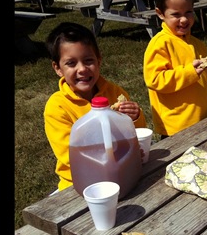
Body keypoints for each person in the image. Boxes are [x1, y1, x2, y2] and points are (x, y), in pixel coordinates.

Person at [44, 22, 147, 192]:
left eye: (88, 60)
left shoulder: (115, 93)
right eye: (71, 63)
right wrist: (120, 157)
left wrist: (135, 117)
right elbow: (69, 155)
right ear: (58, 68)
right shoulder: (58, 107)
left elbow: (134, 134)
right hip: (79, 183)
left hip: (124, 173)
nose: (82, 69)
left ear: (98, 61)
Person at [143, 0, 207, 138]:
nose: (184, 19)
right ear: (160, 13)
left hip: (200, 123)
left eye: (188, 12)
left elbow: (206, 84)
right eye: (176, 14)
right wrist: (189, 73)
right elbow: (154, 80)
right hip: (174, 128)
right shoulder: (161, 43)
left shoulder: (198, 45)